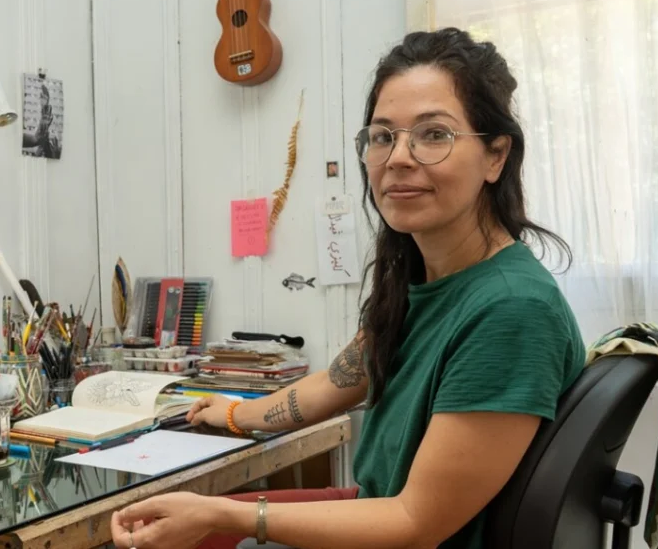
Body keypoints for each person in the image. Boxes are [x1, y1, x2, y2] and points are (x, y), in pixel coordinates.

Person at [109, 28, 584, 549]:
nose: (398, 157)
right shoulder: (424, 282)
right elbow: (336, 383)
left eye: (433, 134)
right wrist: (231, 412)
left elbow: (415, 524)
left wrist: (224, 513)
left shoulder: (512, 309)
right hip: (377, 509)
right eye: (382, 137)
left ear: (496, 156)